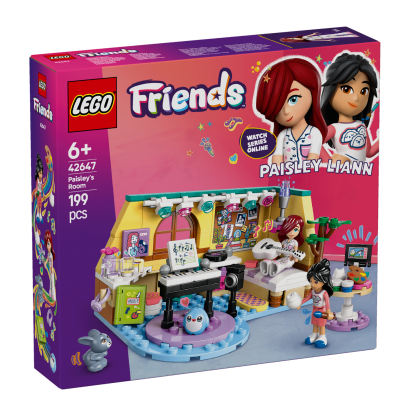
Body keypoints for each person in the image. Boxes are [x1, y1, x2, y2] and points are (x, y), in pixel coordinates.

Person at [255, 57, 327, 165]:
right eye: (278, 107)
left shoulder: (314, 133)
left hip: (308, 174)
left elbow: (312, 160)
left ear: (312, 93)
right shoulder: (282, 136)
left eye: (293, 99)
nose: (286, 111)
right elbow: (277, 160)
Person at [321, 53, 379, 164]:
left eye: (364, 91)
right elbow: (315, 144)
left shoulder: (362, 126)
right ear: (330, 91)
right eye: (346, 89)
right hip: (341, 171)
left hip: (361, 171)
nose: (356, 98)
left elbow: (369, 153)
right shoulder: (334, 128)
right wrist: (330, 163)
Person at [300, 259, 334, 348]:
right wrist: (300, 303)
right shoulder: (313, 291)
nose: (312, 284)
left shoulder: (324, 293)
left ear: (324, 280)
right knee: (314, 323)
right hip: (314, 310)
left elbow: (327, 302)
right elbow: (307, 298)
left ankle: (322, 337)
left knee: (321, 325)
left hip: (322, 311)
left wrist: (328, 311)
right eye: (311, 281)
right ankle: (314, 335)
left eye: (316, 282)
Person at [280, 31, 359, 43]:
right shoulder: (305, 40)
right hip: (319, 38)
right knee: (337, 36)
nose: (291, 38)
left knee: (334, 35)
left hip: (319, 36)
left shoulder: (299, 37)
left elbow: (308, 36)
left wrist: (313, 33)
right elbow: (318, 40)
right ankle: (349, 35)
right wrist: (327, 41)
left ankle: (348, 34)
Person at [44, 230, 56, 301]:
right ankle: (51, 294)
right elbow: (47, 259)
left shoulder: (51, 254)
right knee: (50, 282)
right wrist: (45, 262)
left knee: (52, 283)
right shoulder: (48, 253)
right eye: (46, 245)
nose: (47, 247)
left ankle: (53, 296)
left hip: (51, 270)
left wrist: (51, 268)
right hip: (50, 269)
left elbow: (52, 262)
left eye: (48, 244)